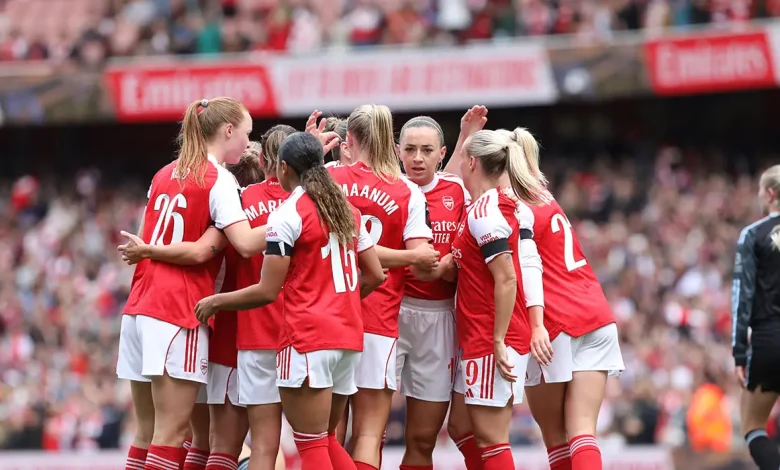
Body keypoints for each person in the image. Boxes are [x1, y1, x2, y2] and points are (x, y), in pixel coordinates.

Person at [194, 131, 386, 470]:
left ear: (284, 168)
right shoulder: (347, 210)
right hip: (348, 339)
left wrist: (217, 302)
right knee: (326, 439)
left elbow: (267, 291)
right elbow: (376, 275)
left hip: (307, 339)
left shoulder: (288, 214)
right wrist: (341, 303)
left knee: (309, 445)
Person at [115, 97, 269, 470]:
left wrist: (152, 251)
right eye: (246, 133)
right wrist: (298, 215)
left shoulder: (163, 174)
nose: (248, 143)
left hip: (139, 307)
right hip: (177, 310)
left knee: (146, 433)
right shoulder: (220, 180)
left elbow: (145, 237)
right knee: (171, 434)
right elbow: (243, 244)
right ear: (228, 131)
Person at [325, 105, 436, 470]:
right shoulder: (408, 191)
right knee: (370, 434)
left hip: (329, 316)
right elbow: (421, 262)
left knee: (326, 433)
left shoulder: (327, 178)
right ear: (390, 141)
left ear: (349, 139)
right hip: (379, 319)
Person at [449, 128, 553, 470]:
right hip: (479, 335)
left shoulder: (486, 212)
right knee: (460, 427)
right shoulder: (504, 206)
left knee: (491, 439)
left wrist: (497, 339)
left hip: (491, 336)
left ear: (472, 162)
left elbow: (507, 278)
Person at [395, 116, 468, 470]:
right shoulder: (387, 187)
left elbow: (470, 247)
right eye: (410, 149)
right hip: (388, 314)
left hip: (439, 317)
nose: (417, 158)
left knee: (423, 438)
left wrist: (451, 263)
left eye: (426, 150)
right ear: (398, 152)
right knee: (367, 430)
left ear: (442, 154)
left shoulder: (458, 191)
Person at [234, 125, 296, 470]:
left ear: (262, 159)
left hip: (255, 333)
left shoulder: (242, 199)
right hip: (303, 336)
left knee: (263, 444)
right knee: (318, 439)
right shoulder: (312, 200)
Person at [733, 165, 780, 470]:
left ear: (771, 193)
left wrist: (739, 353)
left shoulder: (753, 234)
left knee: (753, 425)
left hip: (769, 340)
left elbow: (742, 296)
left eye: (761, 191)